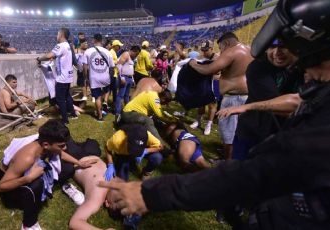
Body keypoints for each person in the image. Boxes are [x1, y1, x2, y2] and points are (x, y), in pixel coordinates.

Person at [99, 1, 330, 229]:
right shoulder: (264, 71)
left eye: (299, 53)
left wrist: (150, 194)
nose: (307, 73)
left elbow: (255, 173)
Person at [217, 39, 303, 161]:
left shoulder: (305, 68)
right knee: (242, 173)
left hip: (285, 138)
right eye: (272, 47)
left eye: (283, 46)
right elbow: (286, 108)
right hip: (253, 133)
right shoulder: (258, 67)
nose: (277, 52)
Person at [0, 120, 68, 230]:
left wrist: (79, 163)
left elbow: (62, 154)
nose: (64, 148)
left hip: (22, 173)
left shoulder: (46, 141)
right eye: (61, 146)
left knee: (68, 168)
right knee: (37, 184)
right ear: (46, 145)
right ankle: (28, 224)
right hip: (9, 191)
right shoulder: (27, 158)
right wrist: (29, 178)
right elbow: (1, 187)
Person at [189, 32, 253, 160]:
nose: (221, 51)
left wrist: (193, 64)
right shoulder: (249, 50)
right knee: (239, 131)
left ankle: (227, 162)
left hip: (233, 98)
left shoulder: (231, 51)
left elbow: (210, 70)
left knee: (228, 133)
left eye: (221, 47)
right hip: (247, 97)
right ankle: (234, 156)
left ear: (227, 43)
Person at [37, 28, 77, 125]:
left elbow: (48, 55)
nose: (56, 36)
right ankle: (73, 114)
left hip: (62, 78)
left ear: (61, 35)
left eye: (57, 34)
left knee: (60, 99)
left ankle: (65, 120)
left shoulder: (60, 45)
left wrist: (39, 58)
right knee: (67, 96)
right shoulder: (68, 45)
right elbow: (57, 56)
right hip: (68, 76)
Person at [190, 40, 221, 135]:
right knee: (201, 103)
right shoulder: (202, 57)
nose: (204, 52)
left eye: (206, 50)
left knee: (212, 105)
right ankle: (198, 120)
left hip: (214, 83)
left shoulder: (217, 58)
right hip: (204, 82)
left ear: (211, 49)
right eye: (203, 50)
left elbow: (217, 73)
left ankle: (209, 124)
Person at [82, 34, 114, 122]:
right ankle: (103, 106)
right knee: (105, 92)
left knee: (97, 97)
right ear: (102, 40)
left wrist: (85, 77)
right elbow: (111, 67)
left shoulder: (88, 51)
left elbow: (85, 66)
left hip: (94, 77)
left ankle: (100, 117)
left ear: (94, 40)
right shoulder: (107, 52)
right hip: (105, 77)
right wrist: (110, 77)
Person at [115, 45, 141, 115]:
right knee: (120, 95)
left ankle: (128, 109)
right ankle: (118, 111)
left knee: (126, 95)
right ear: (133, 51)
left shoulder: (132, 58)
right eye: (136, 54)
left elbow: (130, 68)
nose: (136, 55)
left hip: (129, 78)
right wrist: (122, 77)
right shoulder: (126, 54)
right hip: (124, 77)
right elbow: (119, 65)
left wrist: (132, 79)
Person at [110, 40, 124, 110]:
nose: (119, 47)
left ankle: (113, 105)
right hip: (113, 74)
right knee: (113, 91)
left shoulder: (114, 52)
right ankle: (114, 105)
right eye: (119, 46)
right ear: (115, 46)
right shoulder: (111, 52)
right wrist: (118, 62)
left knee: (114, 91)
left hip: (114, 74)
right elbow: (111, 63)